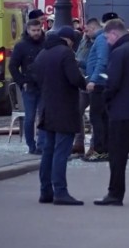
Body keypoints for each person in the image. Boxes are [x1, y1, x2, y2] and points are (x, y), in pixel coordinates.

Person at [94, 18, 129, 207]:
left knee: (118, 156)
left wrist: (105, 98)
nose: (107, 42)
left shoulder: (119, 52)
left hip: (120, 111)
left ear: (114, 33)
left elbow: (113, 82)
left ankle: (115, 194)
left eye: (107, 38)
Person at [34, 26, 87, 206]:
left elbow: (36, 77)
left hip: (47, 109)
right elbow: (74, 78)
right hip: (64, 109)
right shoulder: (66, 53)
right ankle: (60, 192)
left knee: (48, 151)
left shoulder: (43, 53)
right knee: (61, 152)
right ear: (69, 40)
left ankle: (45, 191)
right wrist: (84, 82)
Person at [83, 12, 118, 162]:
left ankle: (101, 149)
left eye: (86, 30)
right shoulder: (101, 39)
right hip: (101, 82)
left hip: (99, 84)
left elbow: (102, 61)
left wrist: (93, 80)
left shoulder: (101, 39)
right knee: (101, 117)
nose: (85, 33)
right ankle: (103, 149)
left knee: (97, 117)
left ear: (93, 27)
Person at [9, 18, 47, 154]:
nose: (36, 33)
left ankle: (42, 145)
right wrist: (21, 81)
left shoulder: (46, 43)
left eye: (38, 30)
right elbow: (13, 66)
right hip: (29, 86)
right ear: (28, 30)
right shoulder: (21, 46)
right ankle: (31, 145)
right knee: (30, 118)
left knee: (43, 117)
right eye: (33, 30)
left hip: (44, 85)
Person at [73, 18, 101, 155]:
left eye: (88, 29)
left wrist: (80, 63)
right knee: (77, 110)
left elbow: (98, 62)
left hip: (93, 82)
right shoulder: (84, 40)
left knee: (95, 114)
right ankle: (79, 142)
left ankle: (94, 145)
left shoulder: (99, 41)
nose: (86, 32)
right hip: (84, 81)